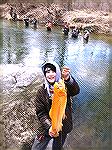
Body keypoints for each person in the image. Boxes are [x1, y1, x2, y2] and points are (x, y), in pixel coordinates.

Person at [31, 61, 80, 150]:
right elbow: (41, 113)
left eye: (53, 71)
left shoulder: (63, 86)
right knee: (36, 147)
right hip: (46, 127)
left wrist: (67, 78)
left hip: (63, 127)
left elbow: (75, 91)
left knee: (57, 147)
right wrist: (50, 127)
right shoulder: (41, 92)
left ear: (57, 72)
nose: (50, 74)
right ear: (45, 74)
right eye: (47, 72)